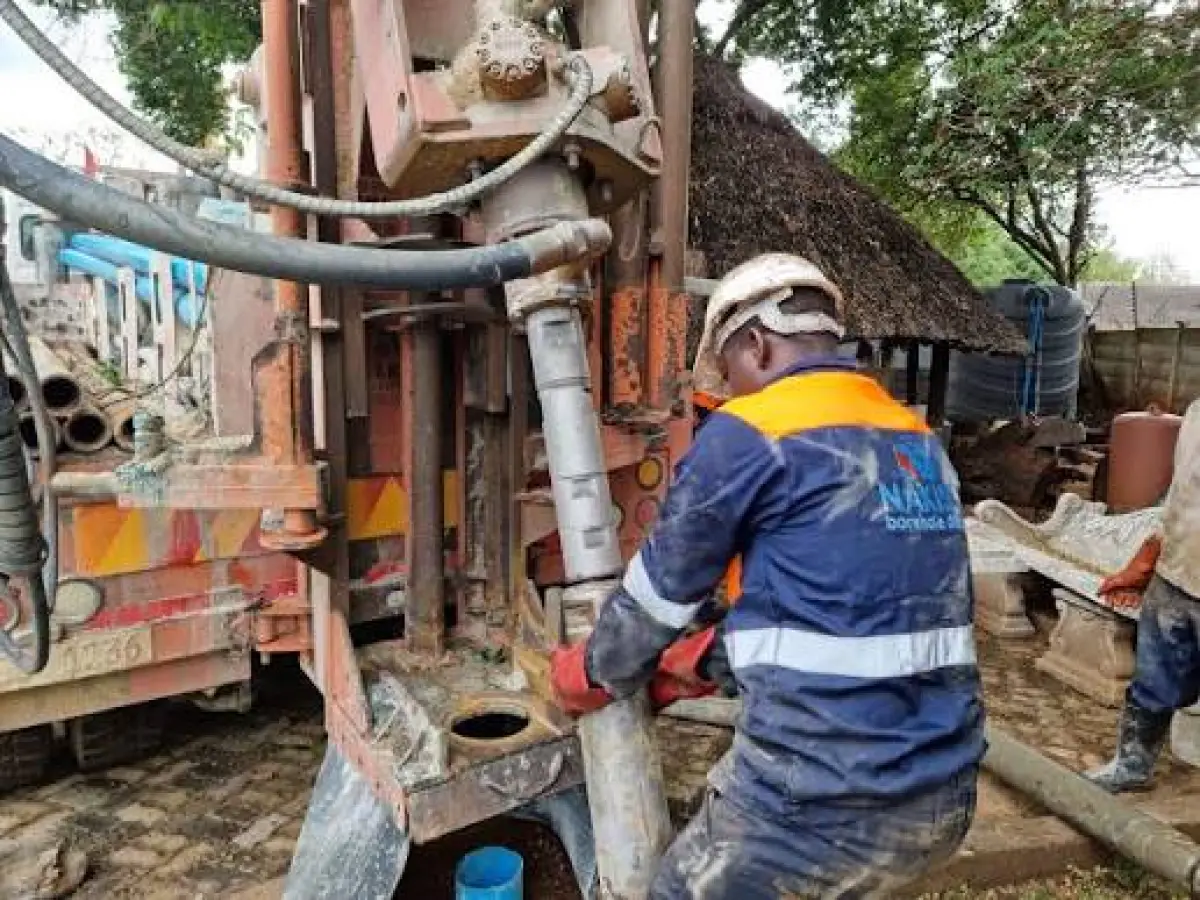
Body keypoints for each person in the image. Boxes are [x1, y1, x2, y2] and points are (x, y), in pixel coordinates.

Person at [550, 253, 985, 899]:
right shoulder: (916, 439)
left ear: (755, 344)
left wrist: (592, 673)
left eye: (729, 377)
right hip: (943, 799)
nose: (728, 398)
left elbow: (658, 596)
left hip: (821, 803)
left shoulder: (752, 430)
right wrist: (711, 658)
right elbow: (860, 602)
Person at [1088, 399, 1200, 793]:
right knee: (1154, 680)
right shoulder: (1196, 415)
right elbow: (1179, 500)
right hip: (1178, 573)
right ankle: (1133, 764)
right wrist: (1145, 562)